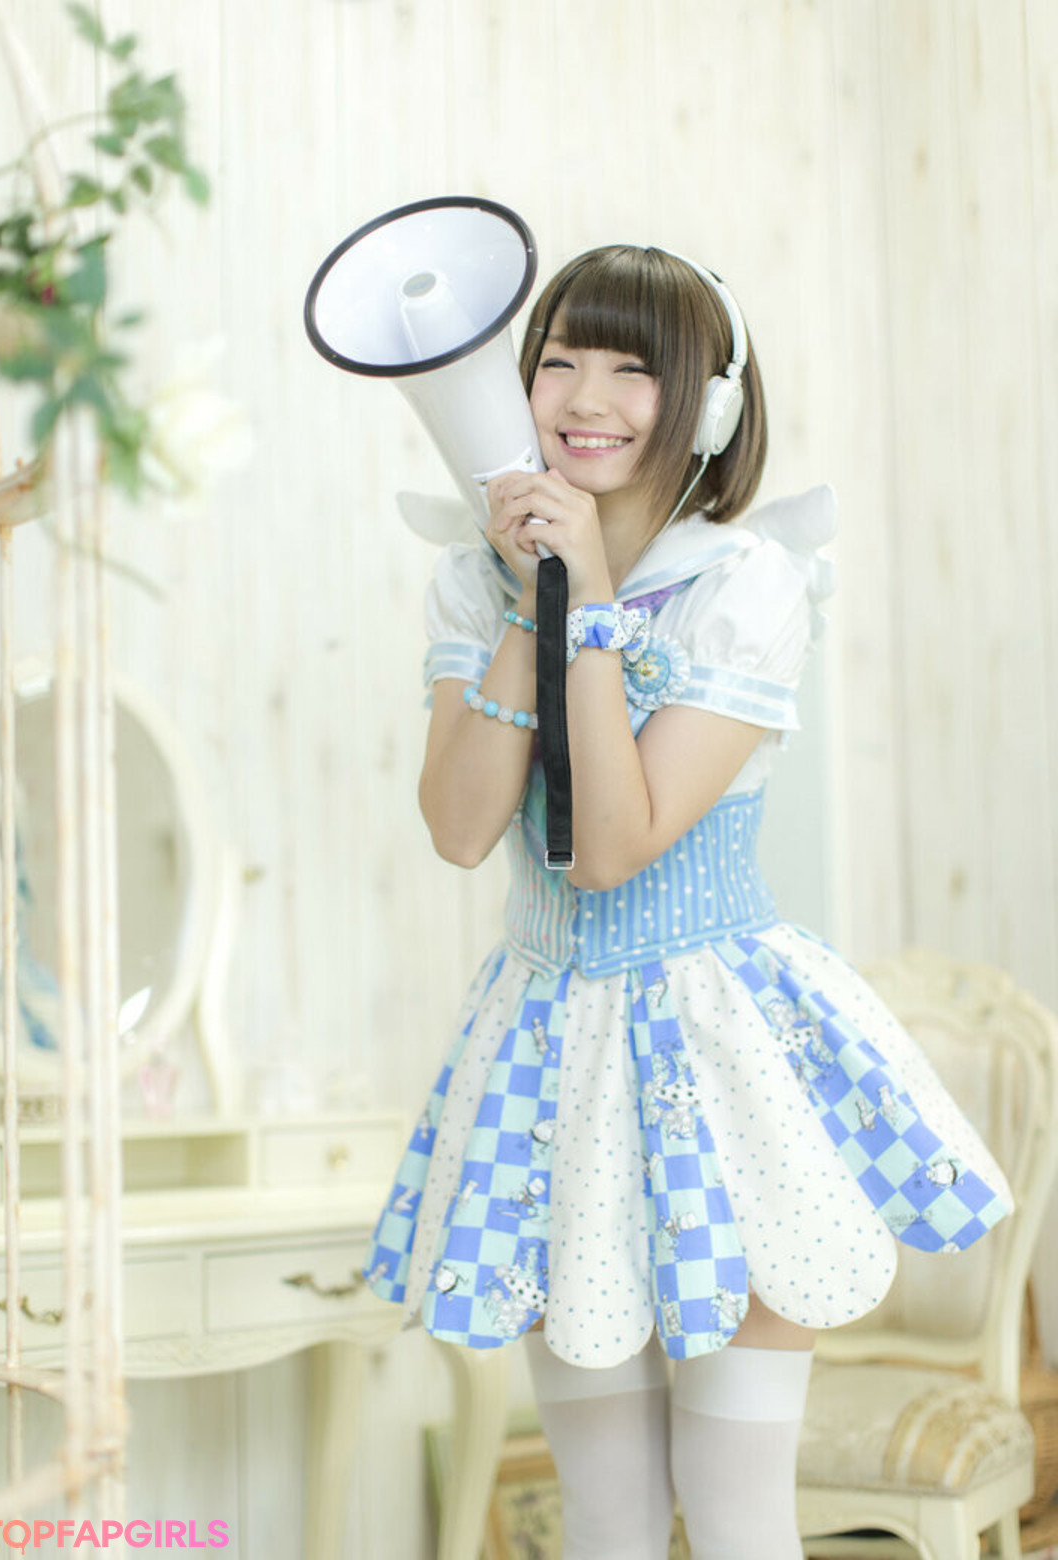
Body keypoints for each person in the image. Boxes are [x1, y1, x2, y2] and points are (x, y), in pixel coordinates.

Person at [361, 244, 1014, 1560]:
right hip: (549, 1060)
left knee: (735, 1516)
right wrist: (531, 601)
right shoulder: (475, 579)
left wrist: (591, 600)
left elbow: (615, 845)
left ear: (707, 406)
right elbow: (461, 827)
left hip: (724, 1063)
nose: (584, 397)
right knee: (603, 1518)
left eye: (631, 368)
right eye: (556, 361)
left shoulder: (746, 586)